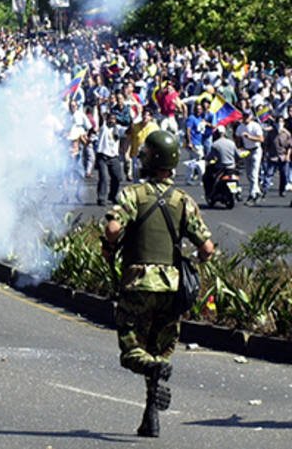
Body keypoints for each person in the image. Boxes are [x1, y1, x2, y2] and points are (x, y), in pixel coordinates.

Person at [102, 130, 214, 438]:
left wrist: (110, 246)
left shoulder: (133, 195)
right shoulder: (184, 201)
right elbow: (206, 249)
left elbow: (113, 229)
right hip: (171, 288)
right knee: (159, 351)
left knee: (131, 351)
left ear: (148, 161)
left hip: (138, 283)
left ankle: (150, 370)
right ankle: (150, 417)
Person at [234, 108, 264, 205]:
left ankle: (252, 195)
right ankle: (258, 192)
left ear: (251, 116)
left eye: (247, 116)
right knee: (248, 173)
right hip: (247, 150)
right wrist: (238, 147)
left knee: (254, 173)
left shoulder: (255, 126)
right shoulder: (240, 127)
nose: (246, 118)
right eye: (244, 116)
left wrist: (249, 137)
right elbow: (237, 138)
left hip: (256, 150)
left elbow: (261, 139)